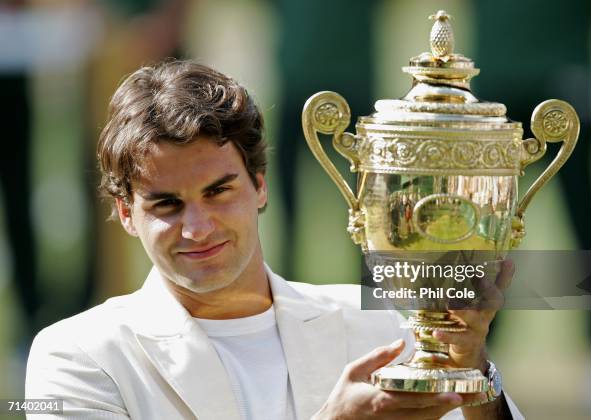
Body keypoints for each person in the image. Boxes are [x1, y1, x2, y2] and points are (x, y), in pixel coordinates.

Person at [25, 60, 523, 419]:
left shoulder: (383, 326)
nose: (197, 228)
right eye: (166, 204)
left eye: (218, 192)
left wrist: (473, 370)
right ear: (126, 214)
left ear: (260, 186)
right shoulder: (76, 355)